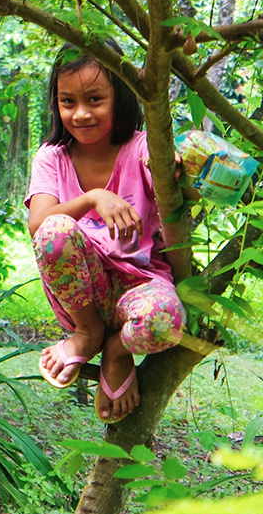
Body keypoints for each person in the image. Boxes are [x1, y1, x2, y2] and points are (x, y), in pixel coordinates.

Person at [25, 42, 186, 423]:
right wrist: (94, 198)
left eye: (95, 99)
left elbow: (168, 178)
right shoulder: (52, 157)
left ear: (121, 97)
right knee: (54, 230)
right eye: (68, 102)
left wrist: (174, 168)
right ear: (55, 102)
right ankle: (88, 333)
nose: (80, 114)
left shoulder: (143, 147)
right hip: (84, 296)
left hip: (142, 287)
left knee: (167, 320)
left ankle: (115, 349)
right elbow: (39, 223)